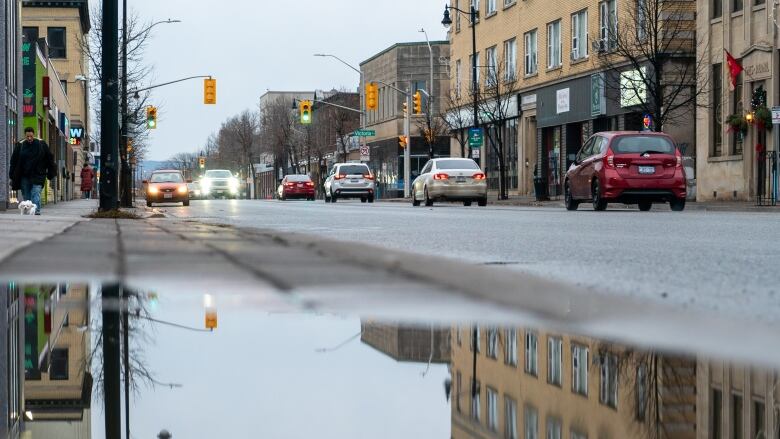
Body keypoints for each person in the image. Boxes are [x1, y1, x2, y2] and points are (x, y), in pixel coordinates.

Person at [10, 127, 56, 215]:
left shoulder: (41, 144)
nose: (29, 138)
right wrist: (12, 174)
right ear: (25, 135)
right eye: (27, 136)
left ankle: (36, 211)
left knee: (35, 192)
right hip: (24, 175)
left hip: (38, 174)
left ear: (33, 135)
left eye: (31, 136)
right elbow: (14, 161)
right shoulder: (20, 145)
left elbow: (49, 158)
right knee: (26, 195)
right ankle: (28, 210)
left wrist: (50, 172)